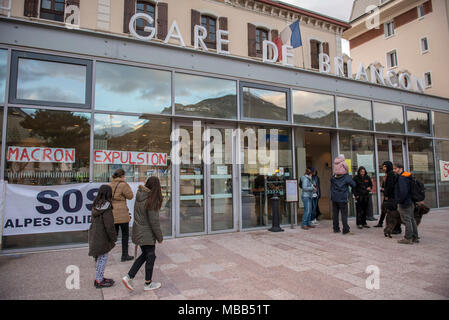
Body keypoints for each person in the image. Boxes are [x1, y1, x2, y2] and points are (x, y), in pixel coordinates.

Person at [122, 176, 164, 291]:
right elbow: (154, 221)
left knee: (146, 255)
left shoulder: (140, 195)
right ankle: (147, 283)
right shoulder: (151, 200)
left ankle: (129, 277)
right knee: (150, 256)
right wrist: (159, 237)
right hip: (146, 233)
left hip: (139, 231)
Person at [88, 185, 117, 289]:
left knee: (99, 258)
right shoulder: (107, 208)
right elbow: (109, 225)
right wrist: (114, 237)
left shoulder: (96, 205)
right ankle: (99, 280)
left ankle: (99, 277)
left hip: (95, 235)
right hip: (102, 237)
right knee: (102, 258)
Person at [110, 168, 134, 262]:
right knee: (125, 235)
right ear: (122, 176)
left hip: (112, 212)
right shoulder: (123, 185)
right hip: (122, 214)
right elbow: (130, 196)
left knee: (112, 236)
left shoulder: (110, 184)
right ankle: (124, 255)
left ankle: (101, 253)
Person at [393, 164, 419, 244]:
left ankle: (408, 238)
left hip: (405, 202)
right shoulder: (407, 176)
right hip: (410, 201)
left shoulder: (402, 178)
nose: (394, 170)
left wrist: (399, 200)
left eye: (395, 168)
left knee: (407, 220)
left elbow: (403, 192)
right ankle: (415, 237)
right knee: (411, 219)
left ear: (400, 169)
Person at [331, 155, 356, 234]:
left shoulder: (333, 177)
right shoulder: (346, 177)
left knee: (335, 214)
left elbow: (331, 180)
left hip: (334, 197)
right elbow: (354, 184)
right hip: (343, 198)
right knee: (344, 215)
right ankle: (345, 230)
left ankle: (336, 228)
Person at [375, 161, 402, 234]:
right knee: (390, 212)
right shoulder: (389, 174)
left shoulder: (390, 174)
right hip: (390, 196)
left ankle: (396, 228)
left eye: (384, 166)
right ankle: (393, 227)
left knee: (392, 214)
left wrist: (387, 195)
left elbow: (390, 186)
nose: (383, 168)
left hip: (391, 197)